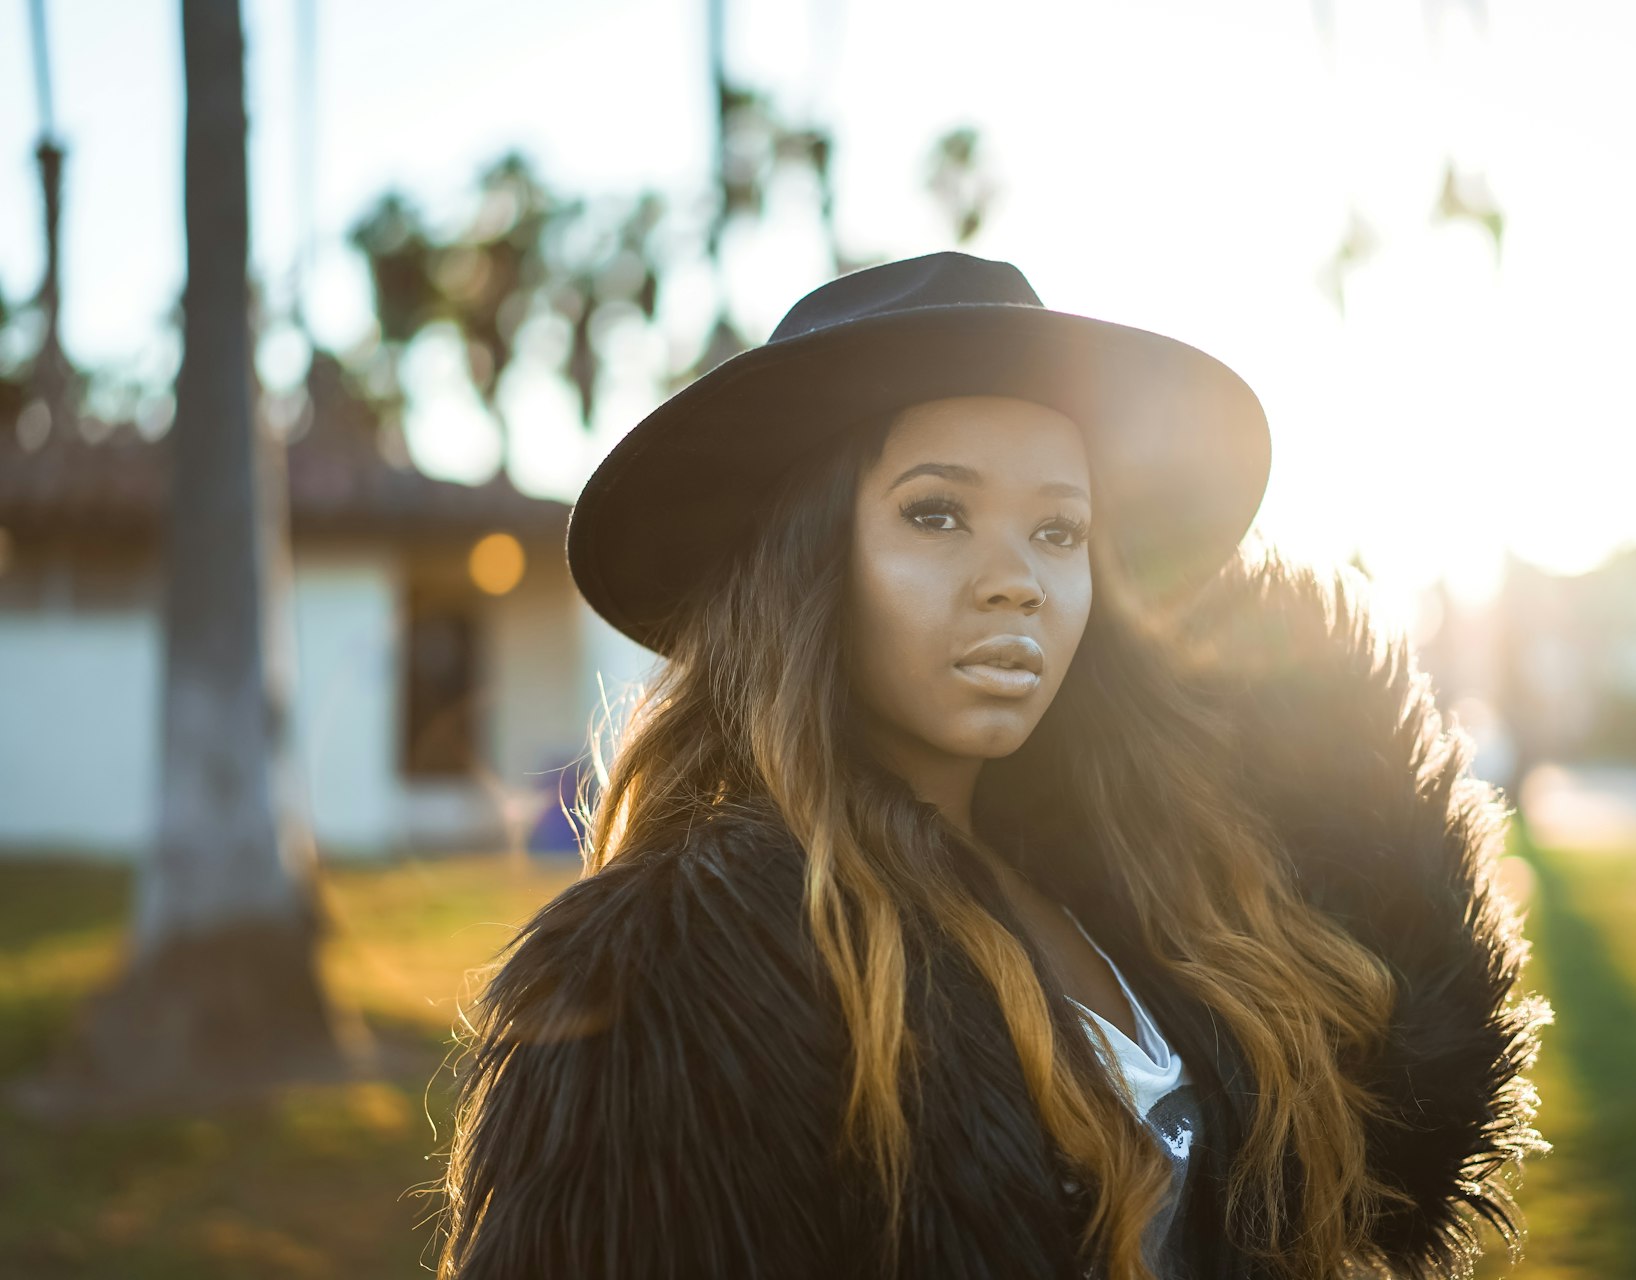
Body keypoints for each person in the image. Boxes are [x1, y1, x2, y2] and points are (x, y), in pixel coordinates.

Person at [429, 252, 1551, 1280]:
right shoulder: (675, 979)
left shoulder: (1137, 889)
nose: (1015, 578)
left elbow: (1375, 1153)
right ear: (808, 564)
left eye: (1058, 530)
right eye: (938, 512)